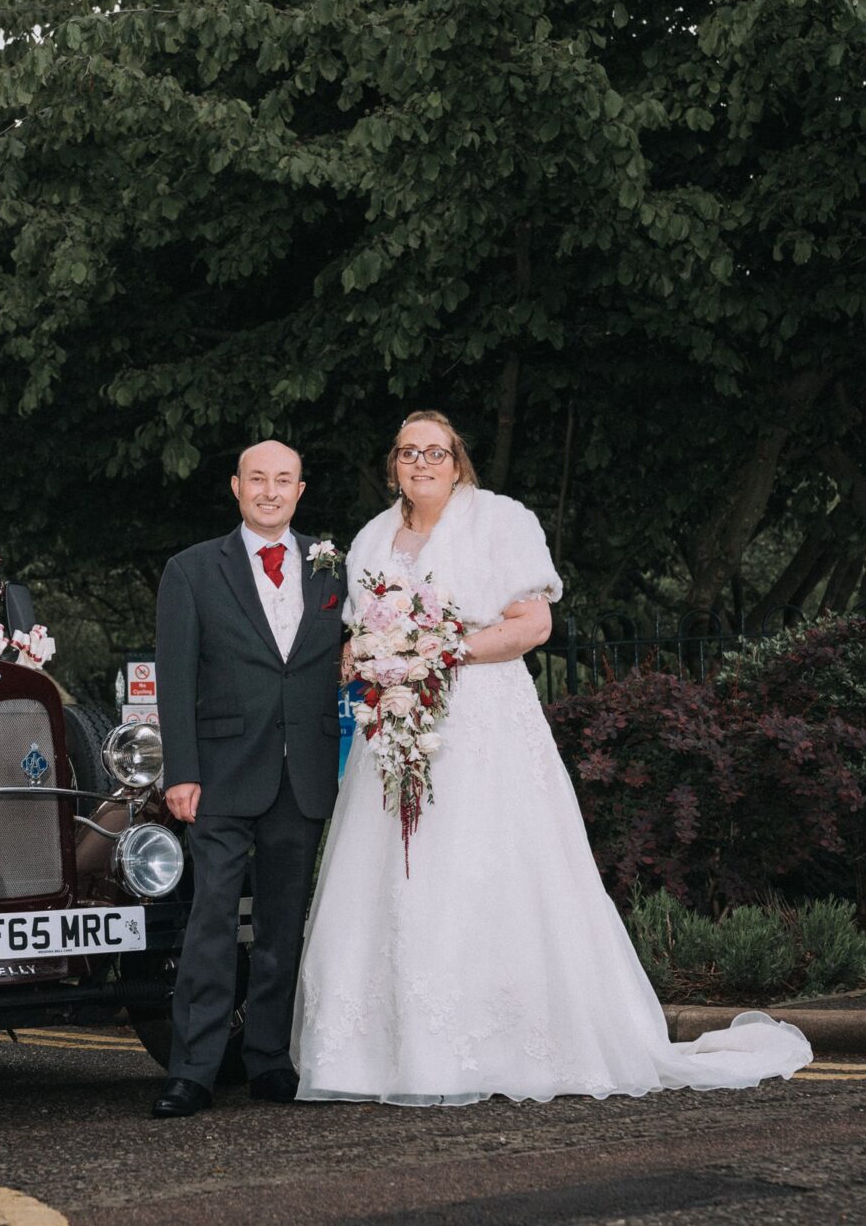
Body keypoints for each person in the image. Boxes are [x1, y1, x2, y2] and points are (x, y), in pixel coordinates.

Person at [291, 410, 812, 1104]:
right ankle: (382, 1054)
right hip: (394, 723)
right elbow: (358, 634)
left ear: (458, 462)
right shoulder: (370, 539)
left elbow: (533, 624)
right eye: (408, 452)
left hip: (482, 721)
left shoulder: (502, 521)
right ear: (393, 465)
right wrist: (368, 655)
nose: (422, 463)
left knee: (486, 865)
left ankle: (500, 1044)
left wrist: (438, 652)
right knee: (391, 871)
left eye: (436, 452)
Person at [151, 440, 345, 1118]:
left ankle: (269, 1060)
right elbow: (175, 678)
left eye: (283, 479)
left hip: (304, 772)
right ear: (236, 487)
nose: (270, 490)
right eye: (257, 478)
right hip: (221, 774)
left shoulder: (335, 566)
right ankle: (193, 1072)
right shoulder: (191, 569)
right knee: (210, 923)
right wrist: (182, 772)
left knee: (283, 926)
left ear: (300, 490)